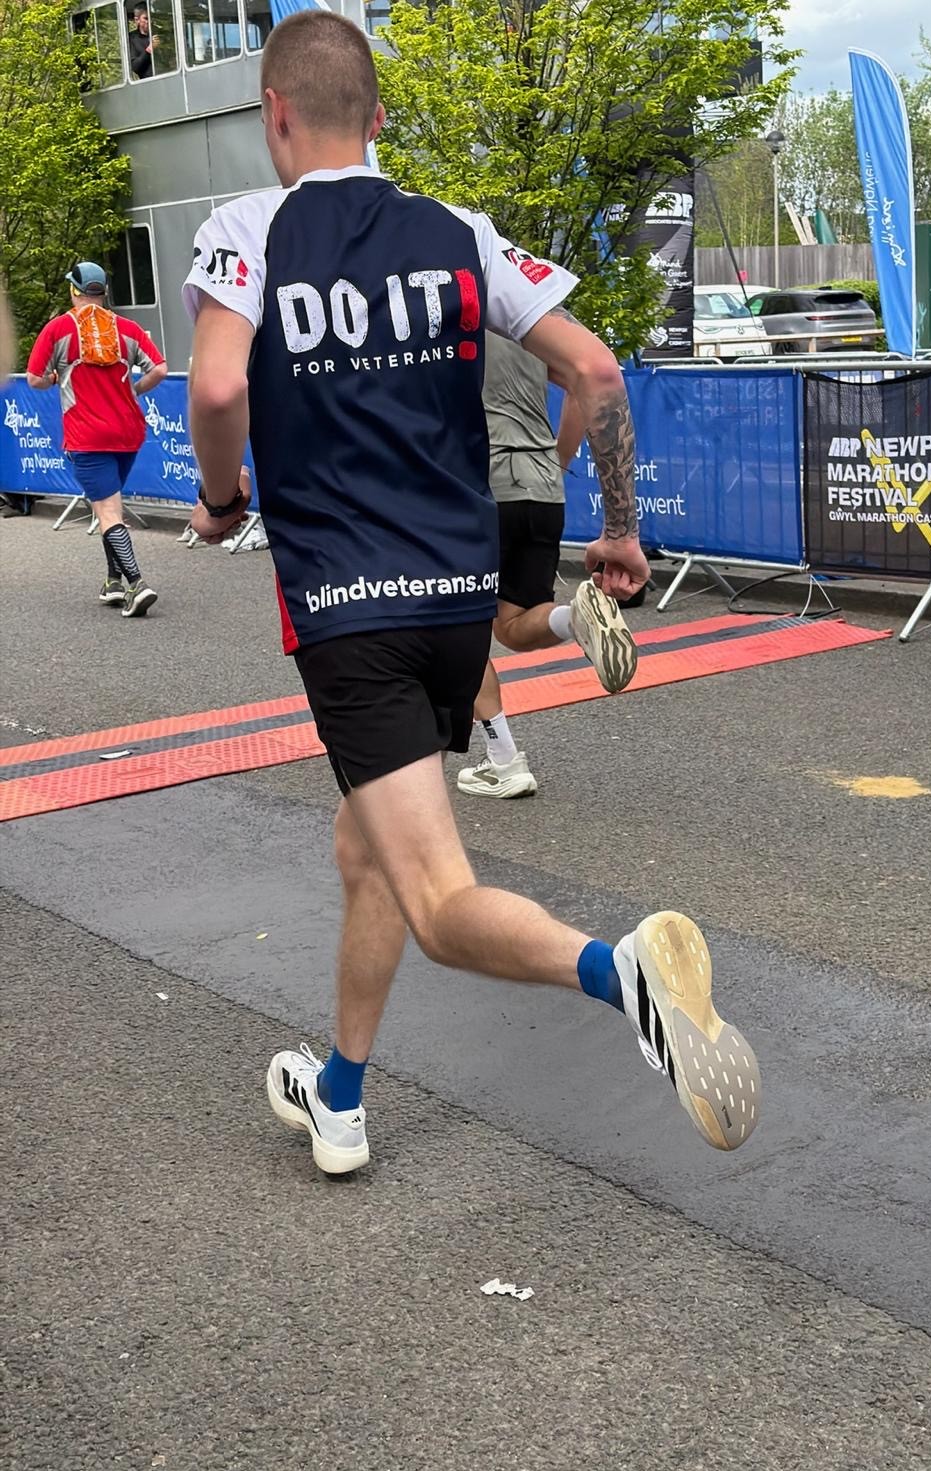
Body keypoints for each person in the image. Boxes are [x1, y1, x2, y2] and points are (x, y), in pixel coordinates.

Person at [183, 9, 760, 1174]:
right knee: (370, 849)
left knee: (441, 902)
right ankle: (338, 1096)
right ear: (381, 119)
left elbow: (215, 385)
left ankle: (623, 972)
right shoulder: (458, 229)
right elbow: (594, 367)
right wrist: (621, 533)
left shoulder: (246, 229)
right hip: (458, 598)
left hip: (354, 612)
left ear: (273, 116)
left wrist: (225, 497)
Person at [457, 334, 636, 799]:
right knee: (513, 624)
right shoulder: (528, 317)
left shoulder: (444, 299)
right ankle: (574, 617)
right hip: (541, 485)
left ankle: (503, 761)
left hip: (480, 484)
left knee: (460, 628)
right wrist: (558, 457)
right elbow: (584, 381)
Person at [26, 261, 167, 616]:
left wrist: (56, 377)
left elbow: (34, 379)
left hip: (87, 434)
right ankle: (112, 582)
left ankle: (137, 585)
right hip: (129, 431)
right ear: (102, 292)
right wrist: (134, 389)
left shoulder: (57, 329)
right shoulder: (129, 329)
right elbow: (160, 369)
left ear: (74, 291)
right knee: (110, 505)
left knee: (106, 511)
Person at [128, 3, 157, 79]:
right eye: (146, 18)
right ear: (137, 20)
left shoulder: (160, 33)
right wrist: (149, 50)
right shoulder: (132, 38)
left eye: (152, 18)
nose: (150, 21)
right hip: (147, 82)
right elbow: (135, 67)